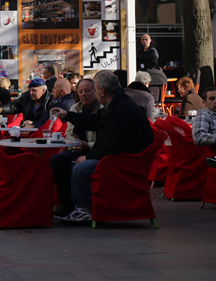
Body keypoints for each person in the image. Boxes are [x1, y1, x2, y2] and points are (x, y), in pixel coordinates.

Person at [51, 71, 154, 223]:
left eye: (94, 89)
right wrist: (68, 115)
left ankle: (86, 209)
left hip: (126, 162)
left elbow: (112, 145)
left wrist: (87, 156)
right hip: (124, 157)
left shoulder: (120, 109)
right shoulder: (117, 104)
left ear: (102, 91)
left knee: (79, 168)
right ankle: (74, 207)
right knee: (64, 161)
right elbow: (95, 121)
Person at [52, 78, 101, 215]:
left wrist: (87, 146)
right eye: (81, 92)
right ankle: (65, 203)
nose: (84, 94)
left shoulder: (102, 110)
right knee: (57, 160)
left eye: (87, 91)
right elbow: (69, 133)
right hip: (77, 147)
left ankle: (81, 206)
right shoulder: (75, 108)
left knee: (76, 163)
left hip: (94, 150)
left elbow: (104, 141)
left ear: (96, 92)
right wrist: (75, 143)